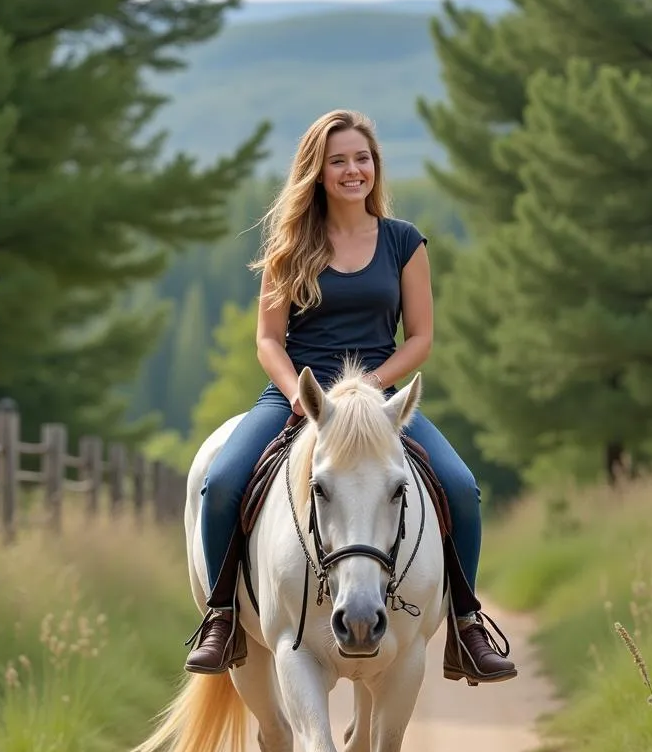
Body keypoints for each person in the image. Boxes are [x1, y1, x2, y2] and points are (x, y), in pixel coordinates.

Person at [184, 108, 517, 687]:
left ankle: (467, 625)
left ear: (375, 167)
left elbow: (421, 338)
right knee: (221, 482)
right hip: (301, 396)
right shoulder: (290, 244)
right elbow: (267, 338)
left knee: (460, 488)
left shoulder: (404, 242)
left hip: (379, 402)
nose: (352, 170)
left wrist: (374, 389)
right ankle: (221, 617)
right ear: (318, 171)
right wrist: (296, 393)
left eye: (361, 159)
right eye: (338, 160)